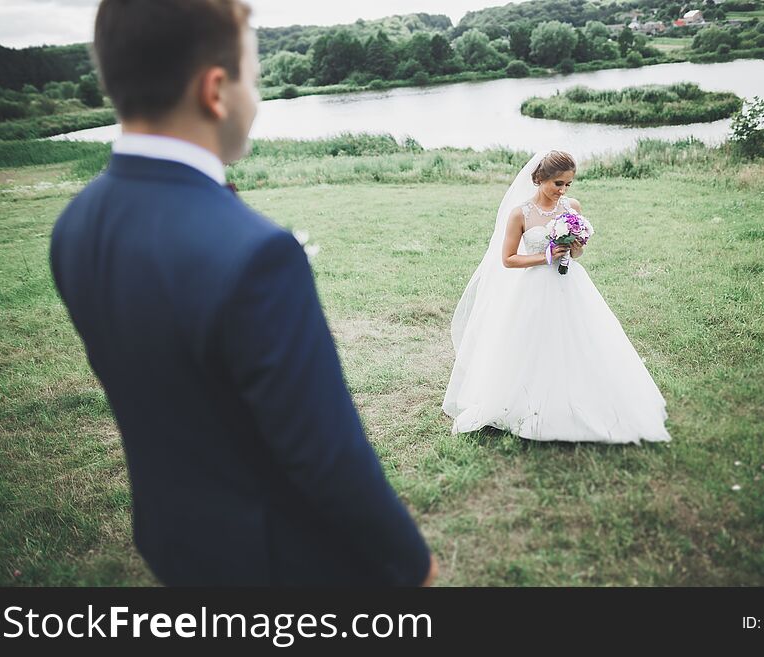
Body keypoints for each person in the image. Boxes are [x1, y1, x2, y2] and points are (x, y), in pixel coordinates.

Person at [49, 0, 436, 586]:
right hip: (280, 567)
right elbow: (325, 453)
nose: (256, 96)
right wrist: (412, 562)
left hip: (173, 542)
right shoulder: (256, 253)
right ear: (216, 91)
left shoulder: (75, 224)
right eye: (254, 78)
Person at [443, 150, 672, 444]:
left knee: (581, 338)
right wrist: (545, 256)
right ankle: (526, 403)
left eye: (568, 184)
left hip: (570, 284)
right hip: (533, 287)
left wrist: (575, 246)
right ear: (540, 179)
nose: (562, 191)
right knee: (532, 343)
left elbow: (577, 253)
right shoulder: (521, 213)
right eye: (557, 184)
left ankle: (582, 398)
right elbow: (509, 259)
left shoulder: (571, 207)